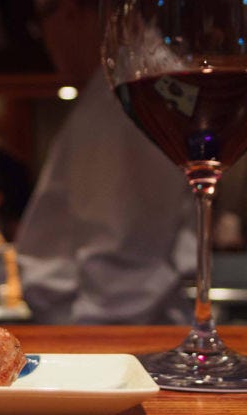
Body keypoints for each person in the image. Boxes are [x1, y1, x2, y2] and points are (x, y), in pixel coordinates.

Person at [15, 0, 196, 324]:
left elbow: (121, 261)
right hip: (114, 324)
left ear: (69, 11)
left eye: (40, 22)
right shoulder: (148, 81)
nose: (45, 40)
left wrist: (98, 342)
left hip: (109, 330)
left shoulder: (131, 90)